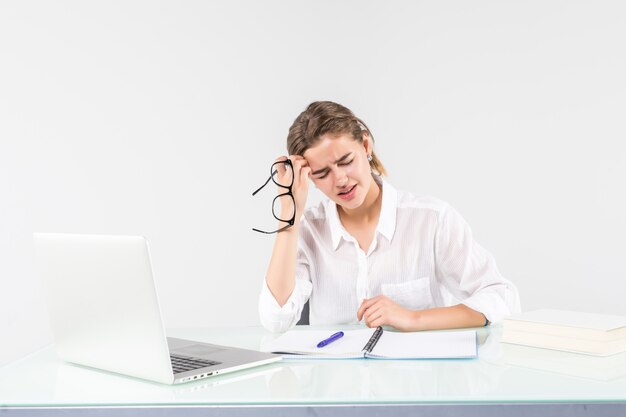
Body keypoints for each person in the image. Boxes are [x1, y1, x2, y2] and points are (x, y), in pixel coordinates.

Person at [257, 101, 520, 333]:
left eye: (346, 161)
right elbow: (275, 319)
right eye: (322, 174)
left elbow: (502, 298)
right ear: (309, 177)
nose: (340, 180)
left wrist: (414, 318)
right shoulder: (308, 231)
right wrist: (289, 215)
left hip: (417, 385)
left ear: (366, 145)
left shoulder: (431, 220)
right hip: (334, 386)